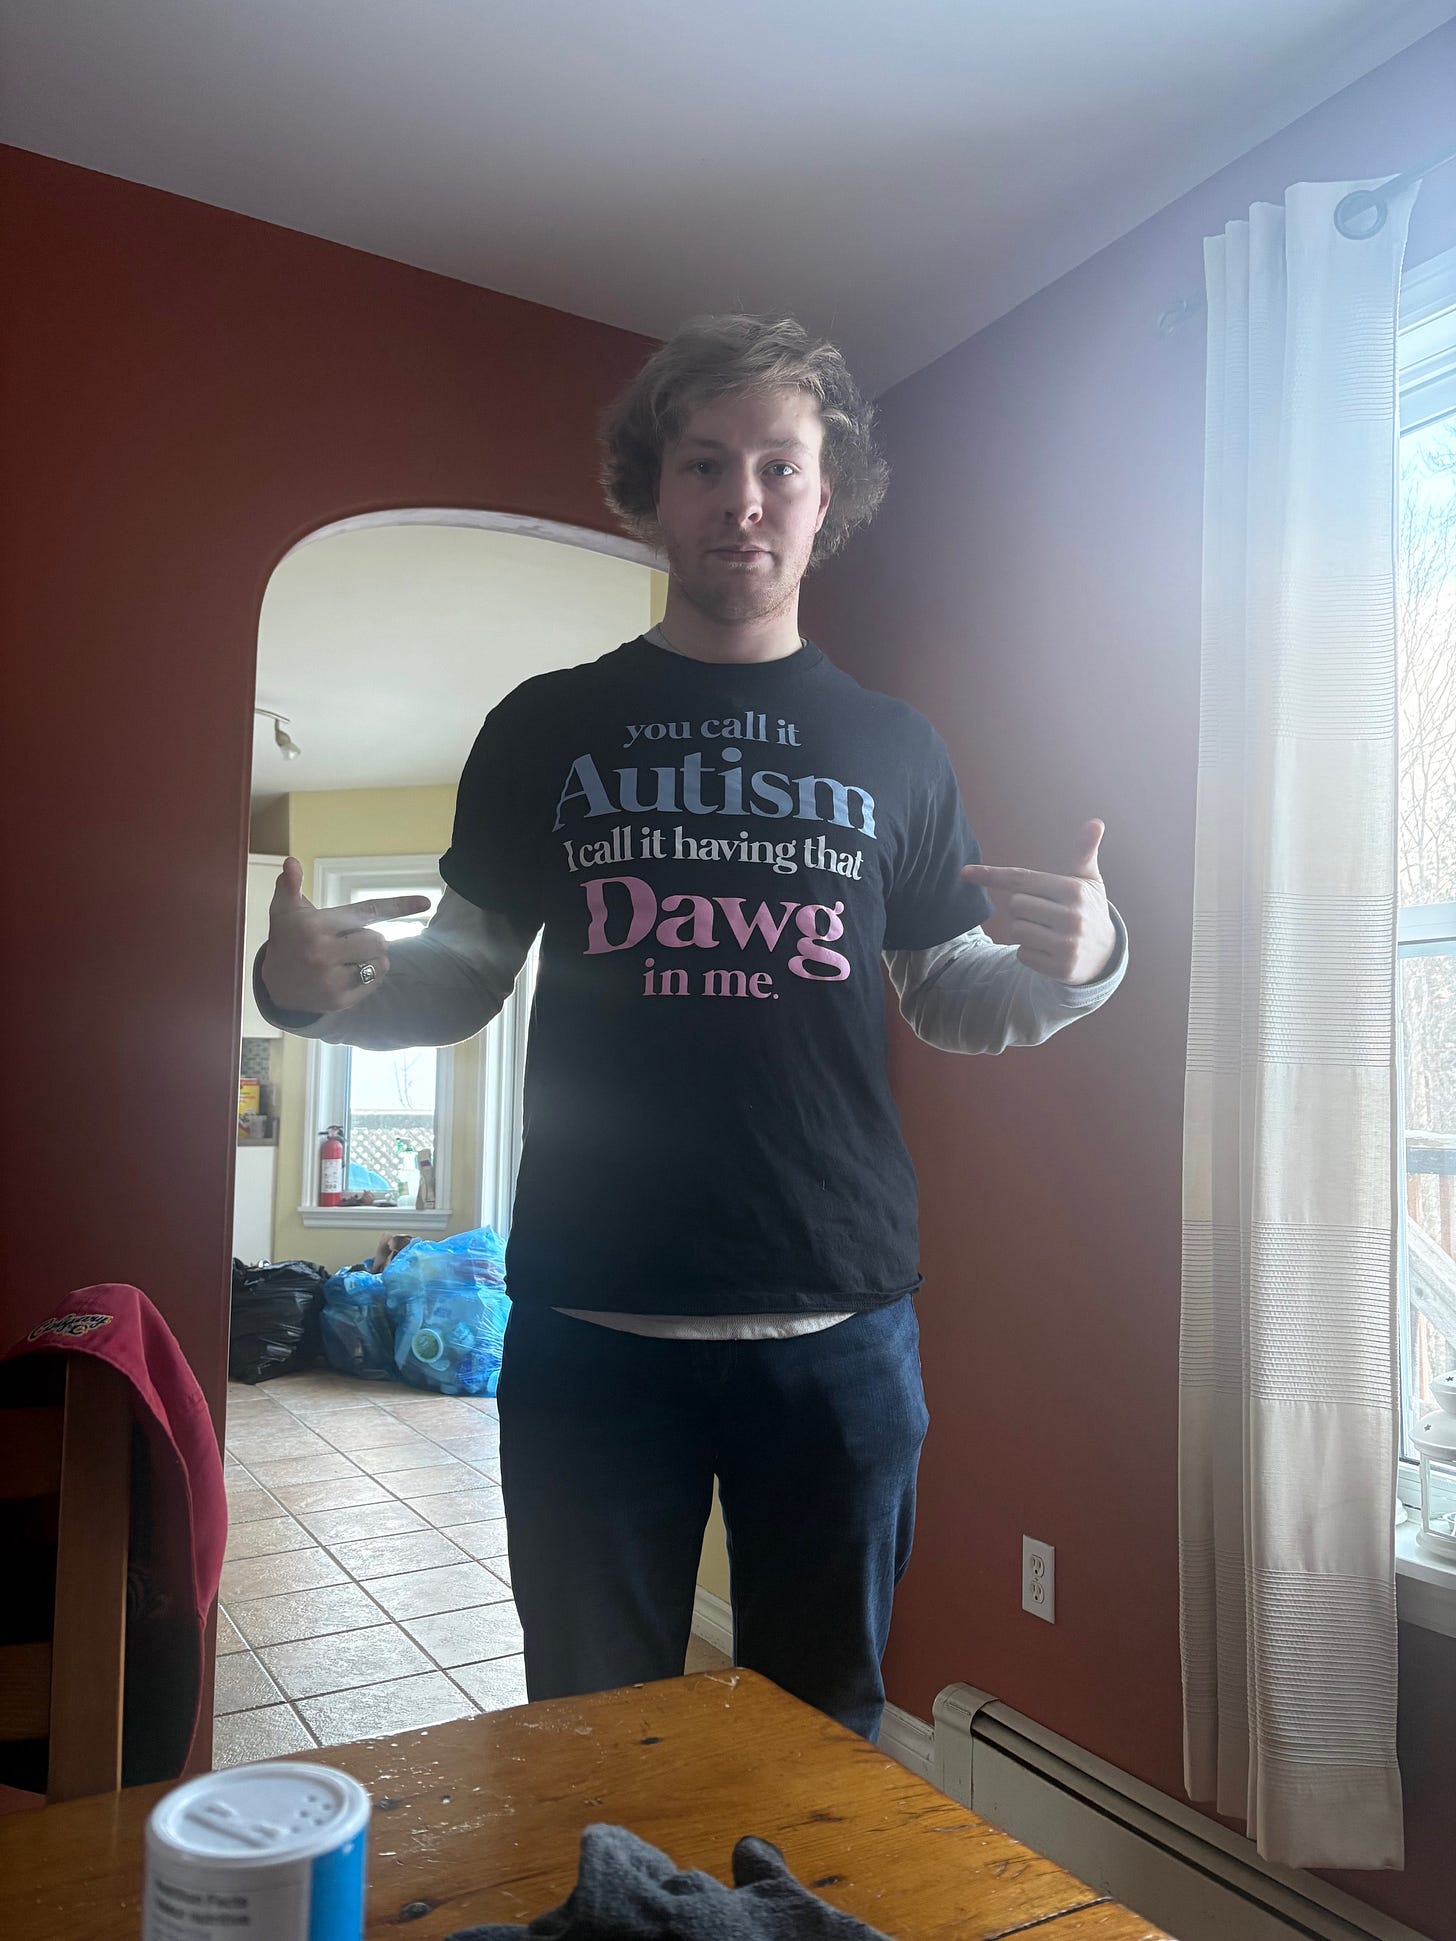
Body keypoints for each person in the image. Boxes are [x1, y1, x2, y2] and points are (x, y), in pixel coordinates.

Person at [255, 315, 1127, 1741]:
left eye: (780, 466)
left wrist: (1082, 965)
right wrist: (310, 989)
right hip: (593, 1324)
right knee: (594, 1732)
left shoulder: (898, 747)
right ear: (652, 492)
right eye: (706, 464)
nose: (743, 501)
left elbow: (948, 989)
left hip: (840, 1324)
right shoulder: (546, 726)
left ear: (827, 495)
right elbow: (463, 972)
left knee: (822, 1735)